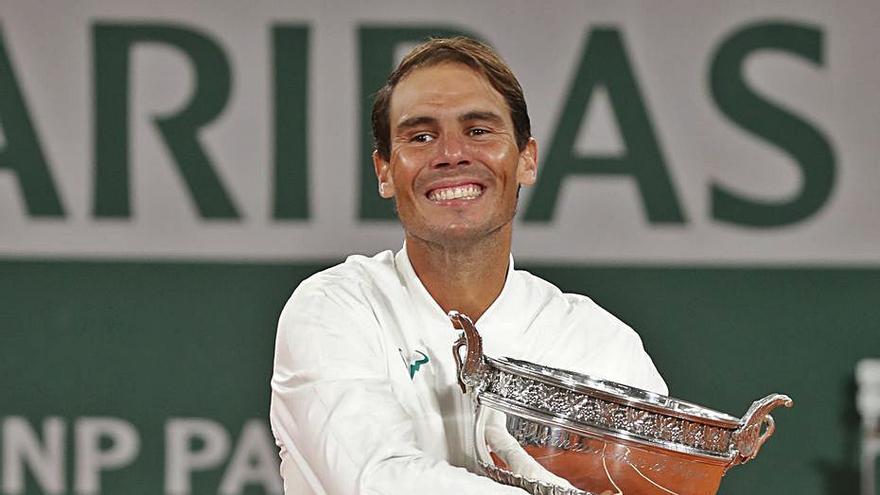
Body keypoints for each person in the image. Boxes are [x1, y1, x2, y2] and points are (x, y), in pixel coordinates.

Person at [269, 37, 667, 495]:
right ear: (384, 172)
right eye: (421, 136)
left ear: (527, 160)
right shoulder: (333, 309)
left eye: (478, 130)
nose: (452, 153)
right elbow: (378, 480)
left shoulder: (599, 344)